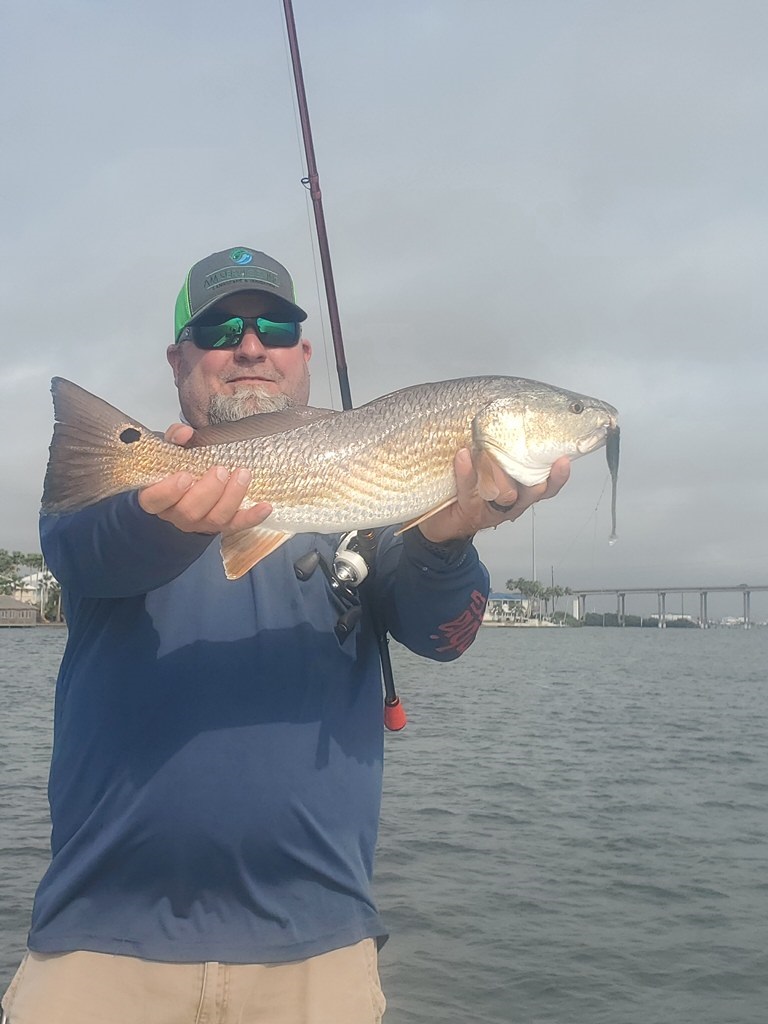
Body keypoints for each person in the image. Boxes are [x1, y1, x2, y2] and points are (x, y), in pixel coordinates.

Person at [2, 246, 570, 1024]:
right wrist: (165, 510)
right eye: (219, 328)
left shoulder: (369, 516)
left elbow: (444, 634)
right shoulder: (115, 488)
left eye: (275, 325)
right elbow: (83, 552)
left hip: (317, 951)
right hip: (100, 946)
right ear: (179, 359)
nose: (250, 345)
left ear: (305, 354)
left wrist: (452, 534)